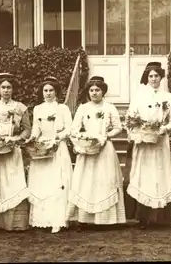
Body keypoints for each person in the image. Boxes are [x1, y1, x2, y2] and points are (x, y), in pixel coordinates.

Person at [68, 76, 126, 229]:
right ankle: (84, 219)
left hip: (104, 149)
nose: (94, 93)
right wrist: (82, 140)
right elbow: (73, 130)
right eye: (91, 90)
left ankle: (106, 220)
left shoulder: (109, 107)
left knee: (104, 182)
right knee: (86, 183)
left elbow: (118, 128)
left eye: (97, 90)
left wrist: (105, 136)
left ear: (103, 92)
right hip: (87, 149)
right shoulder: (83, 108)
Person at [126, 62, 171, 229]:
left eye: (156, 76)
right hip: (143, 143)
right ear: (146, 78)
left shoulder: (168, 97)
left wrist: (164, 128)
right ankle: (142, 217)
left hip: (160, 143)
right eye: (151, 76)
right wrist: (136, 134)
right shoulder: (139, 96)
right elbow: (130, 118)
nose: (154, 79)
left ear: (161, 77)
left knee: (159, 175)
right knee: (143, 176)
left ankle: (160, 218)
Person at [27, 76, 73, 233]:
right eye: (45, 90)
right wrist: (33, 139)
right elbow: (35, 128)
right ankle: (41, 219)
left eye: (51, 90)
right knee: (42, 182)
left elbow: (69, 129)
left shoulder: (63, 109)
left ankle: (58, 220)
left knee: (57, 182)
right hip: (42, 148)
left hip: (57, 147)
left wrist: (57, 139)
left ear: (56, 92)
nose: (48, 93)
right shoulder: (37, 109)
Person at [0, 73, 31, 231]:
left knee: (14, 182)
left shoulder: (20, 107)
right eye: (3, 87)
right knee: (1, 184)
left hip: (14, 151)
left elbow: (27, 130)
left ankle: (17, 223)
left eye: (9, 87)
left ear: (13, 89)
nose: (6, 90)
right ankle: (1, 222)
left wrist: (16, 139)